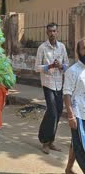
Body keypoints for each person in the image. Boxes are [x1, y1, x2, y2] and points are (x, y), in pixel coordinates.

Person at [35, 22, 69, 154]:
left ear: (57, 32)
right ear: (47, 33)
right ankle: (44, 141)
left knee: (58, 111)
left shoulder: (62, 47)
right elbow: (37, 67)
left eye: (54, 31)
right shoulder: (42, 48)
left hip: (59, 84)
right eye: (50, 31)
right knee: (52, 111)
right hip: (48, 84)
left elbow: (67, 65)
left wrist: (60, 66)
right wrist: (49, 66)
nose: (52, 33)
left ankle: (51, 141)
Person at [63, 39, 85, 173]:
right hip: (78, 114)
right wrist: (71, 116)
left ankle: (68, 168)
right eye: (84, 48)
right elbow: (67, 94)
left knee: (76, 142)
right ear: (78, 52)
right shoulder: (72, 71)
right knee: (81, 147)